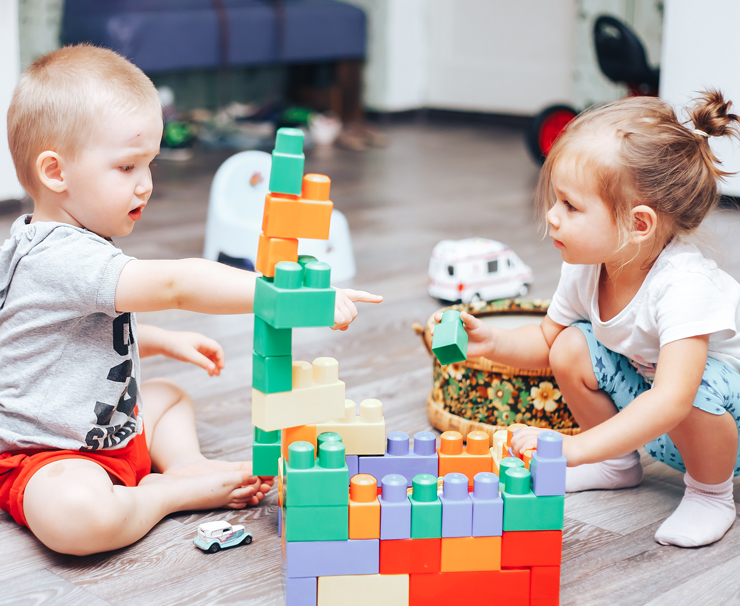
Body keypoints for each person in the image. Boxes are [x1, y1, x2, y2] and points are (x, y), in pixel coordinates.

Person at [0, 45, 382, 556]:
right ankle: (167, 494)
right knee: (79, 518)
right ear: (56, 172)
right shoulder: (60, 258)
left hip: (112, 433)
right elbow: (178, 283)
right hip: (50, 457)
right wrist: (282, 296)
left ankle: (183, 465)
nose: (146, 184)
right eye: (127, 166)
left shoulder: (52, 241)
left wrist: (160, 340)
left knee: (169, 396)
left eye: (150, 164)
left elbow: (61, 339)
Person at [438, 91, 740, 548]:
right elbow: (548, 341)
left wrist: (573, 448)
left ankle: (711, 494)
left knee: (691, 388)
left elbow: (672, 400)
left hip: (719, 421)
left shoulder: (684, 286)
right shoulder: (586, 267)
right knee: (570, 345)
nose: (552, 216)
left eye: (571, 206)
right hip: (660, 405)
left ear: (638, 225)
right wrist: (492, 342)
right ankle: (615, 463)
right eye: (556, 200)